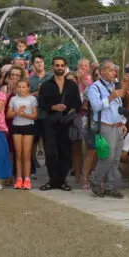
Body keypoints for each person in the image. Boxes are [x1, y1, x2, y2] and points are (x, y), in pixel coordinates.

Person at [38, 56, 82, 192]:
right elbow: (41, 104)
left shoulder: (72, 86)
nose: (59, 68)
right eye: (57, 65)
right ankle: (52, 180)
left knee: (65, 152)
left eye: (62, 65)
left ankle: (62, 181)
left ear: (65, 67)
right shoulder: (46, 85)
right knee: (50, 153)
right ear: (53, 67)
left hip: (66, 123)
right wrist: (53, 107)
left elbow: (78, 103)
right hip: (50, 122)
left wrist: (71, 111)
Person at [87, 60, 127, 198]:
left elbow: (118, 107)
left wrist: (123, 122)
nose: (114, 73)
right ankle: (95, 180)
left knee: (115, 159)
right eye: (110, 70)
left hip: (117, 126)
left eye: (114, 70)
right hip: (105, 126)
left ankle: (110, 187)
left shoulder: (115, 86)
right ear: (102, 71)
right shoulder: (95, 87)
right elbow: (96, 106)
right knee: (107, 158)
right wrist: (111, 97)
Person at [8, 78, 38, 190]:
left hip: (29, 127)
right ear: (16, 88)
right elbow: (8, 115)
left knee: (26, 154)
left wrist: (24, 114)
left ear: (28, 88)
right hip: (16, 127)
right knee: (18, 154)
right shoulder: (13, 99)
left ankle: (27, 179)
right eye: (19, 87)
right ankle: (19, 178)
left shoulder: (32, 99)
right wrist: (17, 112)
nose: (21, 89)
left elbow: (35, 116)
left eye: (24, 87)